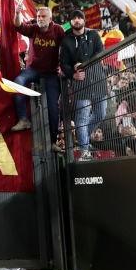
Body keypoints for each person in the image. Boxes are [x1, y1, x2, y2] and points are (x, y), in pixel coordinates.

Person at [13, 6, 65, 137]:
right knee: (18, 82)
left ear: (50, 19)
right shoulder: (34, 28)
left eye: (43, 16)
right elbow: (18, 25)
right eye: (38, 17)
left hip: (51, 72)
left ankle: (53, 139)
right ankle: (23, 119)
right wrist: (18, 13)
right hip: (33, 69)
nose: (40, 19)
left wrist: (65, 67)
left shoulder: (58, 30)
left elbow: (66, 47)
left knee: (53, 106)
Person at [59, 10, 104, 159]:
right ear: (71, 22)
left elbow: (100, 53)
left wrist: (85, 64)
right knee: (82, 117)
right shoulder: (66, 40)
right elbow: (63, 64)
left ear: (84, 21)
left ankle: (82, 137)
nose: (77, 20)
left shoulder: (94, 35)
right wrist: (73, 73)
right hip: (79, 81)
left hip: (97, 79)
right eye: (74, 18)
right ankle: (85, 150)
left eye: (80, 18)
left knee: (101, 113)